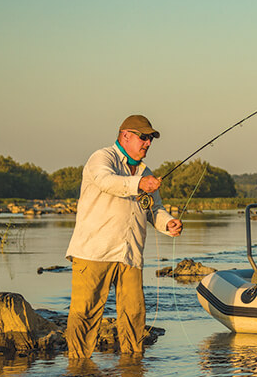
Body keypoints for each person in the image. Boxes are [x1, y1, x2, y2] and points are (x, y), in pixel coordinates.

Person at [65, 114, 183, 358]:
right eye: (144, 137)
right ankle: (78, 371)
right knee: (85, 314)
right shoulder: (102, 158)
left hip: (130, 255)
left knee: (134, 314)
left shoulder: (145, 171)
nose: (148, 143)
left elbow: (155, 209)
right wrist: (139, 184)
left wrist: (167, 223)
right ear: (125, 135)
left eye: (150, 138)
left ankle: (132, 372)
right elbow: (105, 181)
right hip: (93, 252)